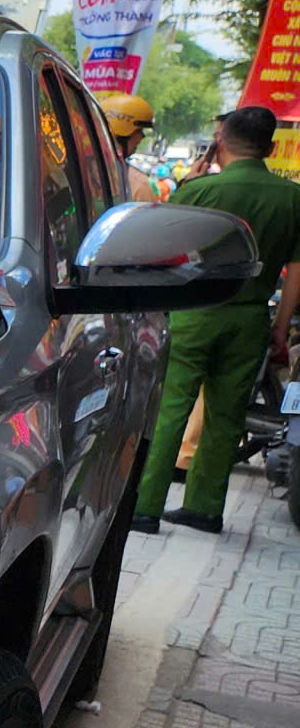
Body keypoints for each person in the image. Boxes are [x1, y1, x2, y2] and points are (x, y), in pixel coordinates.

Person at [132, 104, 300, 535]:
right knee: (226, 415)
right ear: (270, 148)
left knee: (172, 409)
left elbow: (163, 252)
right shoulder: (292, 197)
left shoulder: (200, 190)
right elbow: (297, 269)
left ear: (221, 141)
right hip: (250, 318)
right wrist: (281, 327)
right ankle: (204, 509)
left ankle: (146, 507)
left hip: (194, 313)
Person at [99, 93, 157, 201]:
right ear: (123, 132)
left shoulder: (78, 168)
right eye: (139, 131)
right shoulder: (138, 185)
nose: (142, 137)